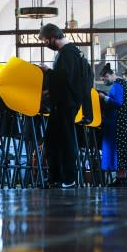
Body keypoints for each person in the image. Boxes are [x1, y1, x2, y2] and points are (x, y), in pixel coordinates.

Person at [38, 23, 82, 188]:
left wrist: (48, 71)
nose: (45, 44)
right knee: (52, 139)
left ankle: (68, 178)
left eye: (45, 41)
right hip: (63, 102)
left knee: (66, 140)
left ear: (52, 37)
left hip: (66, 103)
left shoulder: (67, 53)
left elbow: (64, 78)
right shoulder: (70, 52)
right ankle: (55, 177)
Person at [98, 63, 127, 185]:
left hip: (119, 123)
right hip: (121, 122)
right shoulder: (122, 84)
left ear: (109, 74)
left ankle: (121, 178)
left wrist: (104, 97)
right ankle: (121, 177)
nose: (104, 82)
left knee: (118, 150)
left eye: (104, 79)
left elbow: (118, 103)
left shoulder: (118, 84)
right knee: (121, 151)